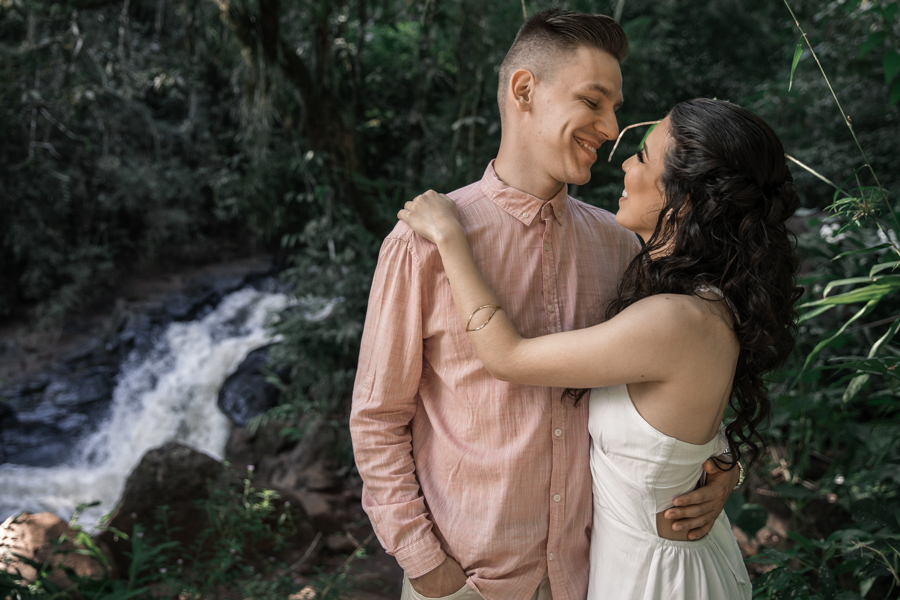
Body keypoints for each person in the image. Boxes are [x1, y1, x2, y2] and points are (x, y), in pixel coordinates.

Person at [350, 9, 741, 600]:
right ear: (524, 90)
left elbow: (687, 375)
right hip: (467, 584)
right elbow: (378, 419)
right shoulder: (423, 243)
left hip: (593, 579)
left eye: (615, 108)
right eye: (593, 101)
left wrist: (721, 467)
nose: (611, 128)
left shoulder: (621, 245)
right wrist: (426, 566)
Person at [397, 98, 802, 599]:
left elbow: (508, 358)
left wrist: (450, 238)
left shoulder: (674, 317)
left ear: (687, 198)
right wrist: (719, 462)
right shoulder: (680, 298)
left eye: (644, 157)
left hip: (653, 577)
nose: (625, 160)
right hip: (624, 563)